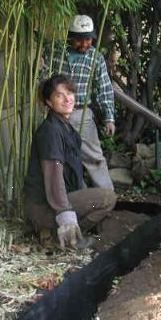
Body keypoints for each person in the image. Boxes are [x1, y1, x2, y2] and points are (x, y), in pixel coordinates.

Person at [22, 74, 116, 248]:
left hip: (50, 203)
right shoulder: (50, 132)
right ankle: (58, 236)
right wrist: (64, 213)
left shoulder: (65, 127)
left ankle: (51, 230)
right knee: (107, 198)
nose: (67, 99)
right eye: (59, 95)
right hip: (42, 206)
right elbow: (53, 177)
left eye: (70, 94)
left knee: (97, 199)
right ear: (49, 102)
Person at [41, 15, 115, 189]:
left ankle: (107, 197)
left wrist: (109, 118)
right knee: (61, 157)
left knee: (93, 157)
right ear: (70, 37)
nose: (84, 44)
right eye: (79, 40)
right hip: (54, 115)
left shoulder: (95, 58)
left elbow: (104, 88)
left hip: (81, 113)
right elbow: (42, 78)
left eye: (88, 39)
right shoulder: (54, 51)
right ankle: (74, 197)